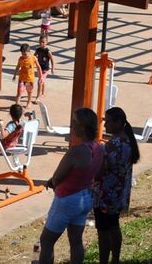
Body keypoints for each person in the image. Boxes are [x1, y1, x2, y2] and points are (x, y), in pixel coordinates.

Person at [39, 108, 104, 264]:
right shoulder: (99, 148)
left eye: (74, 122)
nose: (71, 125)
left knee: (46, 241)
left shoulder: (76, 151)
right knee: (76, 241)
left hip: (67, 200)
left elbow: (58, 176)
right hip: (85, 198)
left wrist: (53, 182)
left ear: (82, 127)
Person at [93, 107, 140, 264]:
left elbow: (99, 172)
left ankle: (104, 261)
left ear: (118, 123)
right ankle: (116, 259)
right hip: (120, 194)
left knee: (103, 232)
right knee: (114, 226)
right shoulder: (128, 141)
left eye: (108, 121)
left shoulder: (113, 145)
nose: (105, 125)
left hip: (106, 196)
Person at [13, 43, 41, 108]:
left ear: (29, 52)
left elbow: (38, 67)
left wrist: (40, 76)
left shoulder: (33, 58)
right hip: (22, 78)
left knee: (29, 92)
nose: (24, 55)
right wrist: (14, 75)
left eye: (25, 54)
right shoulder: (21, 58)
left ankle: (28, 103)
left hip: (29, 79)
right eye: (22, 54)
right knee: (19, 92)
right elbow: (18, 66)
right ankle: (16, 105)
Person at [33, 37, 55, 103]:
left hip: (45, 69)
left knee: (40, 81)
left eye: (43, 42)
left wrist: (53, 68)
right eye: (40, 42)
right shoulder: (38, 50)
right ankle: (42, 93)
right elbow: (34, 56)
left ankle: (37, 97)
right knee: (42, 81)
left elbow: (52, 59)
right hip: (39, 68)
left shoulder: (48, 51)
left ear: (46, 43)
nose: (41, 43)